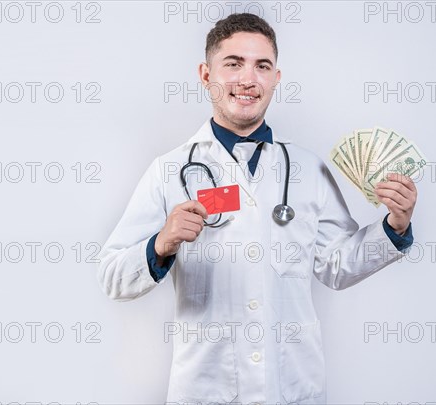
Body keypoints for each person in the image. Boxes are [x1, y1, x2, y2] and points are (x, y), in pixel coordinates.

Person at [97, 13, 417, 405]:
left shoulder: (307, 168)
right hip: (206, 388)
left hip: (292, 386)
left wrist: (395, 225)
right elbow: (113, 276)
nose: (248, 79)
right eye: (233, 63)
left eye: (262, 66)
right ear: (205, 74)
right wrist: (160, 244)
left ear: (276, 78)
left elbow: (337, 266)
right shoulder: (170, 170)